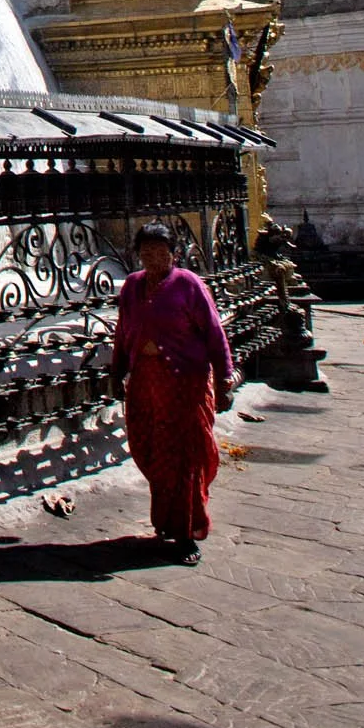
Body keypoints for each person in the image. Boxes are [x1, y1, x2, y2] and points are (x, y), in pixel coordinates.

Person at [110, 221, 236, 563]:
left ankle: (187, 532)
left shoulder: (189, 285)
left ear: (173, 254)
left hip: (185, 381)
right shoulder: (132, 287)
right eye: (146, 253)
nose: (153, 259)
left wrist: (225, 377)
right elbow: (123, 331)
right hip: (146, 382)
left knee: (185, 457)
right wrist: (116, 369)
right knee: (154, 450)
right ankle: (166, 521)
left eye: (160, 253)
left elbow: (213, 332)